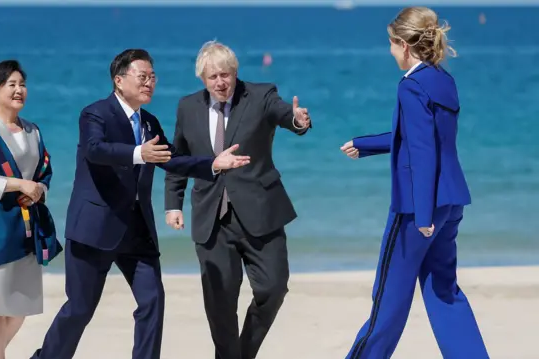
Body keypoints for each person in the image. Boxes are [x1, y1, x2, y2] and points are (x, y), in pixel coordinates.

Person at [30, 49, 251, 359]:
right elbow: (96, 150)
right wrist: (138, 154)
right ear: (119, 81)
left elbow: (174, 159)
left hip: (137, 231)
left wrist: (214, 163)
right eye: (142, 77)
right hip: (95, 228)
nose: (149, 83)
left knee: (152, 301)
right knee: (79, 309)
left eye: (153, 77)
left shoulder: (149, 122)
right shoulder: (95, 114)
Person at [339, 7, 489, 359]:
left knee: (387, 303)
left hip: (415, 211)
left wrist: (421, 214)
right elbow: (426, 136)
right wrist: (366, 144)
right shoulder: (442, 79)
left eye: (391, 44)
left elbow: (422, 150)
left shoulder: (410, 85)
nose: (390, 52)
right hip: (451, 202)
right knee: (444, 292)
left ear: (405, 45)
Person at [163, 40, 311, 359]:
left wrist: (298, 120)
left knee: (273, 288)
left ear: (235, 73)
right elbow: (179, 158)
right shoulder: (188, 107)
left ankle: (243, 353)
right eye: (213, 76)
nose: (221, 82)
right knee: (220, 304)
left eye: (226, 74)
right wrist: (173, 203)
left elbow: (284, 113)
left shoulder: (260, 95)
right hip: (211, 220)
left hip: (261, 211)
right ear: (202, 78)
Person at [0, 60, 62, 359]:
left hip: (27, 222)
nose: (19, 90)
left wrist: (37, 192)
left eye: (22, 84)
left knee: (21, 304)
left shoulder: (33, 130)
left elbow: (44, 171)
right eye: (11, 85)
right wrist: (19, 185)